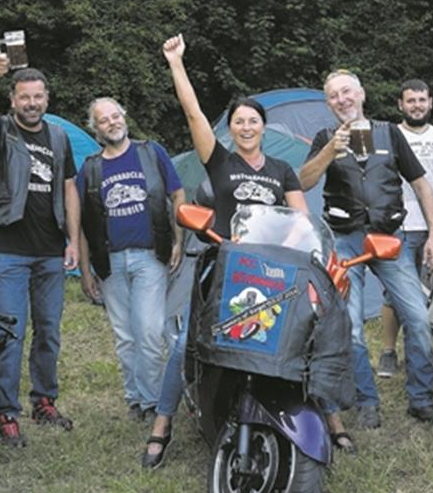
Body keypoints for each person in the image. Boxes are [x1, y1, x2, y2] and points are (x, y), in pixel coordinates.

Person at [149, 34, 348, 467]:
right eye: (238, 121)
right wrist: (177, 64)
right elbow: (194, 113)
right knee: (186, 340)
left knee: (305, 337)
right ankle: (161, 425)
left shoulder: (282, 171)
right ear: (231, 128)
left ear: (263, 126)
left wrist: (309, 249)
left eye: (252, 121)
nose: (245, 127)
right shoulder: (220, 162)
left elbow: (300, 222)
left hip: (273, 269)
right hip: (222, 265)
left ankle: (332, 419)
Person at [300, 70, 433, 429]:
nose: (342, 99)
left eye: (347, 91)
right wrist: (328, 152)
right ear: (328, 103)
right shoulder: (324, 137)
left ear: (362, 94)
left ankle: (421, 399)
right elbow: (303, 180)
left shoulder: (389, 132)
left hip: (388, 237)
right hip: (344, 239)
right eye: (334, 95)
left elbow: (421, 184)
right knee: (349, 327)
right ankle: (366, 400)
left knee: (417, 317)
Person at [0, 54, 79, 445]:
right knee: (10, 334)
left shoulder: (59, 137)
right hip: (8, 249)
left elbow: (68, 189)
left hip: (50, 251)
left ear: (47, 99)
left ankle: (44, 400)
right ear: (13, 100)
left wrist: (74, 241)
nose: (31, 103)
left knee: (49, 330)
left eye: (38, 97)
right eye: (24, 97)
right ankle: (5, 412)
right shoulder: (0, 133)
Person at [76, 97, 186, 422]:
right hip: (109, 262)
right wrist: (85, 271)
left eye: (115, 116)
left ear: (125, 117)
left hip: (151, 256)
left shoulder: (152, 153)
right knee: (125, 336)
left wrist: (179, 239)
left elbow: (177, 195)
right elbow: (82, 223)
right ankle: (135, 398)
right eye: (104, 120)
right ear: (96, 130)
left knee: (150, 331)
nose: (112, 122)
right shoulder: (91, 168)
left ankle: (153, 403)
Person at [376, 79, 433, 381]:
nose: (416, 105)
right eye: (410, 100)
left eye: (421, 100)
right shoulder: (387, 136)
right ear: (400, 104)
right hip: (397, 225)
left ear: (430, 102)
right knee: (393, 294)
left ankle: (430, 350)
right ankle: (388, 351)